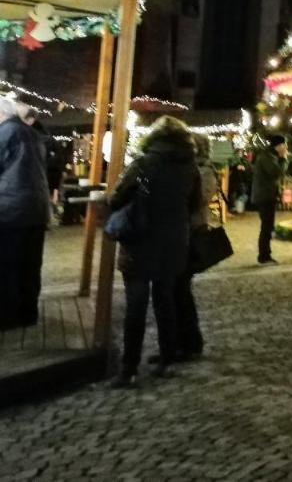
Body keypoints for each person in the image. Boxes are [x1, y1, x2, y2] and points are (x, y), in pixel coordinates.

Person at [108, 116, 200, 387]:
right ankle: (167, 360)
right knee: (166, 300)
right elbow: (194, 205)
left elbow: (117, 198)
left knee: (136, 305)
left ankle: (129, 369)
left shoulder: (143, 164)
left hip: (141, 239)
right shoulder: (190, 167)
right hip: (174, 242)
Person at [168, 133, 220, 363]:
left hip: (192, 232)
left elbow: (198, 200)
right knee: (177, 289)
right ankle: (182, 342)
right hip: (183, 231)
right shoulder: (193, 169)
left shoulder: (204, 171)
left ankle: (190, 343)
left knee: (180, 288)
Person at [0, 98, 50, 330]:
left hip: (9, 211)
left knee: (9, 264)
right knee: (30, 264)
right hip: (36, 210)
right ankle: (28, 313)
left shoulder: (4, 134)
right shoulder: (33, 135)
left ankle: (8, 316)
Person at [251, 135, 288, 265]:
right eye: (284, 144)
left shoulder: (269, 156)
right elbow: (276, 172)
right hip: (264, 196)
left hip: (268, 196)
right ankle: (264, 256)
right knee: (266, 226)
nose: (286, 147)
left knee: (268, 226)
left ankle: (265, 254)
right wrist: (284, 158)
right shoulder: (267, 157)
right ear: (278, 145)